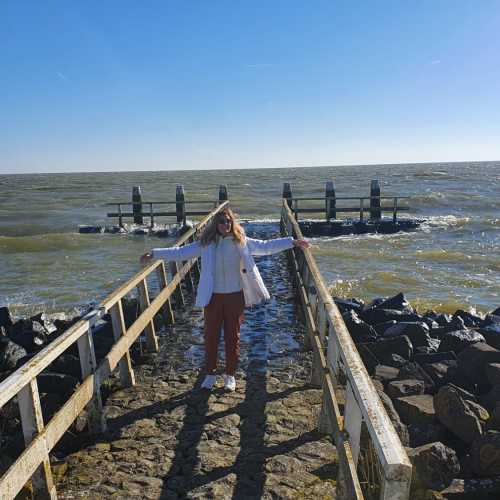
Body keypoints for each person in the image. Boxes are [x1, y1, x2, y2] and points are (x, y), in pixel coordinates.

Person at [140, 207, 310, 391]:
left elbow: (265, 246)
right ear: (216, 224)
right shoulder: (206, 243)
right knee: (211, 337)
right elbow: (180, 253)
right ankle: (210, 374)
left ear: (232, 223)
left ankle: (230, 375)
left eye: (228, 221)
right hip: (212, 297)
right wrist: (154, 253)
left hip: (235, 297)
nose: (225, 224)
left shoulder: (241, 242)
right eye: (221, 221)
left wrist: (292, 242)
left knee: (232, 337)